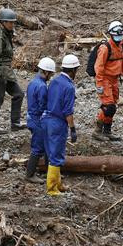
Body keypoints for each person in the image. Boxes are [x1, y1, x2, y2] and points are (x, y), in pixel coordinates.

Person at [43, 54, 80, 196]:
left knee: (51, 152)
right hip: (57, 123)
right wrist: (73, 129)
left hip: (46, 120)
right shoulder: (69, 87)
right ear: (73, 70)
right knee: (56, 155)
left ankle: (58, 184)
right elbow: (68, 112)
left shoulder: (54, 81)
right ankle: (52, 188)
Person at [0, 8, 25, 131]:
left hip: (6, 70)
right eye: (9, 22)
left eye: (13, 22)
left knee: (18, 94)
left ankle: (15, 123)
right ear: (3, 22)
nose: (12, 24)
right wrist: (0, 76)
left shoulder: (7, 33)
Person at [93, 21, 123, 142]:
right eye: (117, 37)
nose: (119, 39)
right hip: (105, 79)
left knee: (113, 106)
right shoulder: (105, 48)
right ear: (111, 35)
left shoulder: (122, 46)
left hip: (115, 79)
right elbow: (99, 67)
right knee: (108, 106)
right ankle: (97, 131)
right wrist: (99, 84)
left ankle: (107, 131)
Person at [25, 57, 56, 183]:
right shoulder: (42, 86)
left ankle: (51, 172)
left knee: (45, 145)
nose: (51, 76)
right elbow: (43, 106)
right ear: (46, 72)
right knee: (38, 147)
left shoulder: (33, 82)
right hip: (38, 120)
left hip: (31, 117)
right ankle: (30, 174)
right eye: (51, 74)